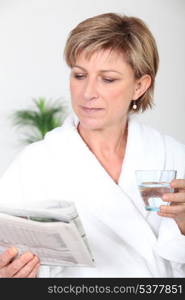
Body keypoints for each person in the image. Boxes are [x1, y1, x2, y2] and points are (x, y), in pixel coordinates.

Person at [0, 12, 185, 278]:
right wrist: (8, 278)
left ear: (140, 86)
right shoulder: (35, 162)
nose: (87, 93)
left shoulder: (171, 156)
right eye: (79, 75)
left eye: (107, 79)